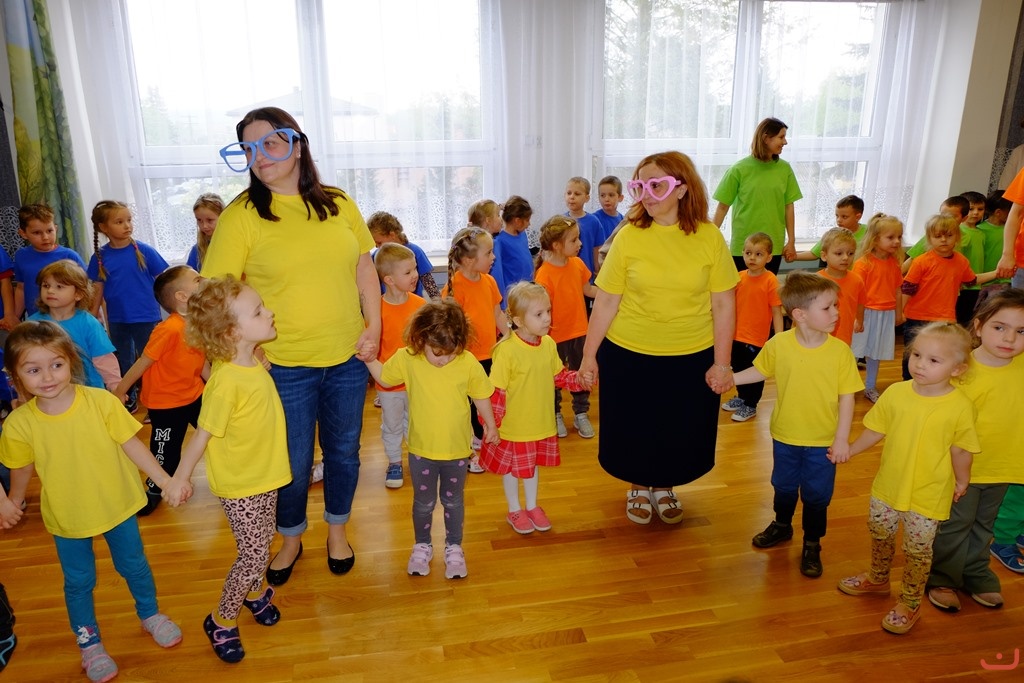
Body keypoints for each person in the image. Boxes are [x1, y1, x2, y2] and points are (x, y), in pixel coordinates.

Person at [204, 107, 380, 585]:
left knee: (344, 453)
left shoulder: (339, 203)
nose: (259, 156)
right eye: (248, 148)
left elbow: (364, 268)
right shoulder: (241, 216)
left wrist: (374, 326)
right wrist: (244, 351)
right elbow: (214, 294)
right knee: (293, 464)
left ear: (297, 144)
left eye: (269, 143)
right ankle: (291, 538)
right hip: (282, 367)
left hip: (348, 357)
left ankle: (338, 531)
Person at [0, 321, 187, 682]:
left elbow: (131, 444)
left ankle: (150, 614)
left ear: (71, 362)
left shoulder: (101, 402)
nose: (48, 377)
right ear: (14, 375)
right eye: (33, 370)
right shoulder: (20, 424)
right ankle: (90, 644)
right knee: (79, 581)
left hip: (118, 504)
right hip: (68, 515)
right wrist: (13, 501)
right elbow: (20, 468)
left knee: (134, 565)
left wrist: (164, 479)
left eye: (56, 364)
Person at [579, 150, 738, 525]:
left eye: (656, 185)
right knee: (635, 425)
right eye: (640, 186)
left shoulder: (709, 237)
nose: (646, 195)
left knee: (677, 426)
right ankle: (638, 484)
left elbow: (724, 304)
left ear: (682, 189)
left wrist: (722, 363)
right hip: (629, 352)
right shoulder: (629, 236)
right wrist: (588, 356)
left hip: (691, 353)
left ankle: (665, 484)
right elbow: (606, 302)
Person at [165, 277, 292, 664]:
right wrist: (179, 478)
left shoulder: (250, 361)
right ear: (233, 332)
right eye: (258, 311)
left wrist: (260, 358)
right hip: (241, 484)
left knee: (263, 539)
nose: (269, 313)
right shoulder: (225, 383)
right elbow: (202, 435)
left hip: (265, 474)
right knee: (253, 554)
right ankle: (221, 619)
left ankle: (254, 593)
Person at [837, 322, 979, 635]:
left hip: (927, 494)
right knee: (880, 533)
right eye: (916, 355)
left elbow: (960, 451)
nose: (920, 364)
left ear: (957, 369)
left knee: (917, 551)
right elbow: (876, 430)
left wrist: (962, 481)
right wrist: (850, 450)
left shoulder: (960, 406)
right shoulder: (896, 393)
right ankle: (877, 579)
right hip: (888, 486)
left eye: (933, 360)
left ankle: (910, 602)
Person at [732, 271, 861, 578]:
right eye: (828, 307)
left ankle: (812, 542)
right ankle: (782, 524)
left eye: (835, 305)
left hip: (823, 441)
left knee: (816, 495)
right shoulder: (779, 344)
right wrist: (730, 379)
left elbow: (847, 398)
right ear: (801, 314)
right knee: (784, 486)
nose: (837, 312)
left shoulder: (840, 352)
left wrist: (842, 439)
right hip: (785, 435)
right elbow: (760, 371)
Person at [365, 300, 498, 579]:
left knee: (453, 501)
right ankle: (422, 545)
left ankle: (454, 547)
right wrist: (369, 359)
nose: (443, 360)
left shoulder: (467, 362)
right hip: (421, 451)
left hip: (457, 452)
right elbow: (386, 379)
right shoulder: (408, 358)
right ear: (421, 338)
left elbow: (481, 395)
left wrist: (490, 424)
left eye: (450, 353)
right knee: (423, 503)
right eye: (437, 353)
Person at [925, 290, 1024, 612]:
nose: (1010, 338)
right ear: (978, 327)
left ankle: (976, 573)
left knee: (984, 525)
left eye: (1021, 331)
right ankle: (943, 578)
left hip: (1004, 466)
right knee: (956, 526)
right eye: (1000, 327)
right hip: (962, 469)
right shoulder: (960, 370)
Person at [479, 282, 586, 534]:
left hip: (539, 423)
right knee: (511, 469)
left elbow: (558, 376)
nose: (547, 318)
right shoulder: (506, 351)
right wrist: (491, 425)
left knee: (531, 466)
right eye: (539, 314)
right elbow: (496, 392)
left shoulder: (547, 343)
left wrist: (579, 378)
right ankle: (514, 509)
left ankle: (532, 506)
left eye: (548, 311)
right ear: (518, 320)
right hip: (513, 426)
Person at [113, 265, 207, 517]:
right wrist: (121, 390)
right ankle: (156, 489)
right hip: (166, 404)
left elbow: (201, 362)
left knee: (216, 434)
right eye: (198, 280)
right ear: (182, 296)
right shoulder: (168, 329)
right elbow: (143, 362)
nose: (205, 281)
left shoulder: (198, 323)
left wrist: (216, 388)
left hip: (195, 394)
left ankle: (229, 473)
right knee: (166, 450)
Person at [87, 200, 170, 413]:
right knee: (122, 361)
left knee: (150, 361)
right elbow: (97, 289)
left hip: (146, 317)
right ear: (103, 227)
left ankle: (157, 402)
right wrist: (91, 316)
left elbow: (164, 282)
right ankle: (127, 397)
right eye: (119, 222)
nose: (127, 226)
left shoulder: (144, 251)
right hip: (117, 319)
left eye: (129, 220)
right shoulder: (99, 257)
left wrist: (174, 309)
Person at [442, 226, 508, 472]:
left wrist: (510, 337)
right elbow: (450, 328)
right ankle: (474, 442)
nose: (493, 257)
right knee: (469, 403)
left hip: (490, 354)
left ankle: (485, 435)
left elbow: (497, 313)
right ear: (469, 260)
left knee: (487, 397)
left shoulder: (489, 281)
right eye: (488, 253)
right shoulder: (455, 287)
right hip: (467, 358)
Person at [900, 213, 995, 381]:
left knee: (941, 354)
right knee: (914, 353)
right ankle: (908, 384)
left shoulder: (961, 261)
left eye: (949, 235)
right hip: (917, 317)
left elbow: (971, 280)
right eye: (938, 236)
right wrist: (900, 312)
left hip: (945, 318)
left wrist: (996, 273)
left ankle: (935, 383)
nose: (943, 240)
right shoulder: (921, 261)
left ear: (957, 237)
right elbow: (907, 288)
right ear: (929, 238)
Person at [534, 215, 598, 438]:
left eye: (578, 238)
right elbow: (541, 309)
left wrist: (612, 294)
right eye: (574, 240)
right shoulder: (544, 274)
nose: (580, 243)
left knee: (581, 373)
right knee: (555, 376)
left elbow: (589, 290)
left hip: (580, 331)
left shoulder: (578, 264)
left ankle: (581, 413)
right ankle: (555, 414)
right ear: (557, 245)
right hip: (555, 337)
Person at [713, 117, 802, 272]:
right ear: (766, 138)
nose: (785, 142)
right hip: (744, 247)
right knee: (741, 287)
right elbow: (722, 207)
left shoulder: (785, 169)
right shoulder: (738, 169)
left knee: (768, 286)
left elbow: (789, 207)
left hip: (772, 246)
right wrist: (709, 238)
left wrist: (791, 241)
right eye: (781, 137)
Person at [373, 243, 426, 489]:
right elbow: (373, 347)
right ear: (389, 279)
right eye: (408, 272)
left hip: (416, 381)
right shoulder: (376, 310)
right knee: (393, 424)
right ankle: (394, 461)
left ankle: (417, 457)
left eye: (414, 268)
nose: (415, 275)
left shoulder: (420, 306)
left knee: (416, 422)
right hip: (389, 386)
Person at [28, 260, 120, 391]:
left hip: (88, 391)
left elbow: (103, 359)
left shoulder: (88, 323)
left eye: (59, 287)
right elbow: (21, 361)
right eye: (46, 286)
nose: (50, 291)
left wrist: (115, 386)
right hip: (48, 391)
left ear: (78, 294)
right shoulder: (32, 325)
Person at [720, 232, 783, 423]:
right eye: (748, 253)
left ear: (769, 257)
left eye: (758, 254)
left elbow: (777, 311)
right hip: (736, 335)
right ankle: (742, 397)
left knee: (754, 371)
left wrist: (779, 337)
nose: (752, 258)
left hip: (756, 339)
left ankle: (751, 404)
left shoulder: (770, 280)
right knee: (738, 367)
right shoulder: (739, 277)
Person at [850, 214, 905, 403]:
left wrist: (899, 313)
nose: (896, 241)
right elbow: (856, 294)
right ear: (875, 239)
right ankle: (846, 387)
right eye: (890, 237)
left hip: (885, 314)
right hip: (865, 313)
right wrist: (857, 318)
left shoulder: (894, 263)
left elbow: (898, 290)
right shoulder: (863, 263)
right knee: (854, 352)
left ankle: (870, 386)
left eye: (899, 237)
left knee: (875, 354)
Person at [14, 204, 86, 321]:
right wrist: (14, 317)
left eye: (49, 231)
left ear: (56, 229)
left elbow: (86, 288)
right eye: (37, 233)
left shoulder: (69, 256)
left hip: (68, 319)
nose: (45, 237)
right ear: (23, 234)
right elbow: (21, 288)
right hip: (36, 320)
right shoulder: (21, 256)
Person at [367, 211, 440, 300]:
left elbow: (428, 281)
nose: (376, 246)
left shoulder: (415, 251)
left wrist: (438, 302)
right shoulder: (377, 257)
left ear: (392, 235)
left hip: (414, 303)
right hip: (388, 304)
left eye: (379, 242)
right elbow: (373, 284)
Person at [816, 228, 866, 346]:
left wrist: (859, 320)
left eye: (850, 253)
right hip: (819, 336)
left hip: (845, 337)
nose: (845, 258)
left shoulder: (857, 280)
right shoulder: (816, 281)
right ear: (824, 256)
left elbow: (860, 303)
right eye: (839, 253)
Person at [901, 196, 969, 275]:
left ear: (964, 218)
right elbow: (912, 259)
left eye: (951, 216)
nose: (945, 219)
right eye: (943, 215)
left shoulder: (966, 237)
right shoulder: (933, 235)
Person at [792, 195, 867, 264]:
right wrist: (794, 256)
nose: (839, 220)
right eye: (837, 216)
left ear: (858, 217)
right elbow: (814, 254)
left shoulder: (869, 232)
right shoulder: (834, 235)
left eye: (844, 217)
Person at [953, 191, 989, 325]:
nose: (975, 213)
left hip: (975, 284)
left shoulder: (981, 233)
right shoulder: (958, 231)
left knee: (967, 319)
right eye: (971, 209)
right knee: (956, 319)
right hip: (962, 285)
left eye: (980, 209)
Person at [493, 195, 535, 304]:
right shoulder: (500, 241)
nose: (529, 224)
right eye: (527, 220)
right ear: (517, 221)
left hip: (528, 290)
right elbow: (498, 273)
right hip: (514, 295)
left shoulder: (523, 234)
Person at [564, 178, 603, 281]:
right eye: (569, 193)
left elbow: (597, 249)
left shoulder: (594, 221)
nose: (572, 197)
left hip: (587, 275)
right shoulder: (561, 221)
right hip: (566, 274)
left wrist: (597, 269)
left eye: (577, 194)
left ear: (587, 198)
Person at [977, 190, 1011, 285]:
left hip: (1007, 281)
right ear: (998, 212)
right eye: (1011, 211)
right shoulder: (979, 230)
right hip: (986, 281)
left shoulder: (1011, 229)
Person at [186, 193, 224, 272]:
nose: (204, 226)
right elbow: (189, 277)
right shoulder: (197, 250)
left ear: (222, 217)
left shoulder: (235, 244)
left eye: (209, 220)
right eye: (199, 220)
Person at [591, 175, 625, 248]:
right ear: (599, 197)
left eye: (611, 195)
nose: (606, 199)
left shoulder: (623, 221)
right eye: (602, 195)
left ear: (620, 198)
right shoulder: (593, 219)